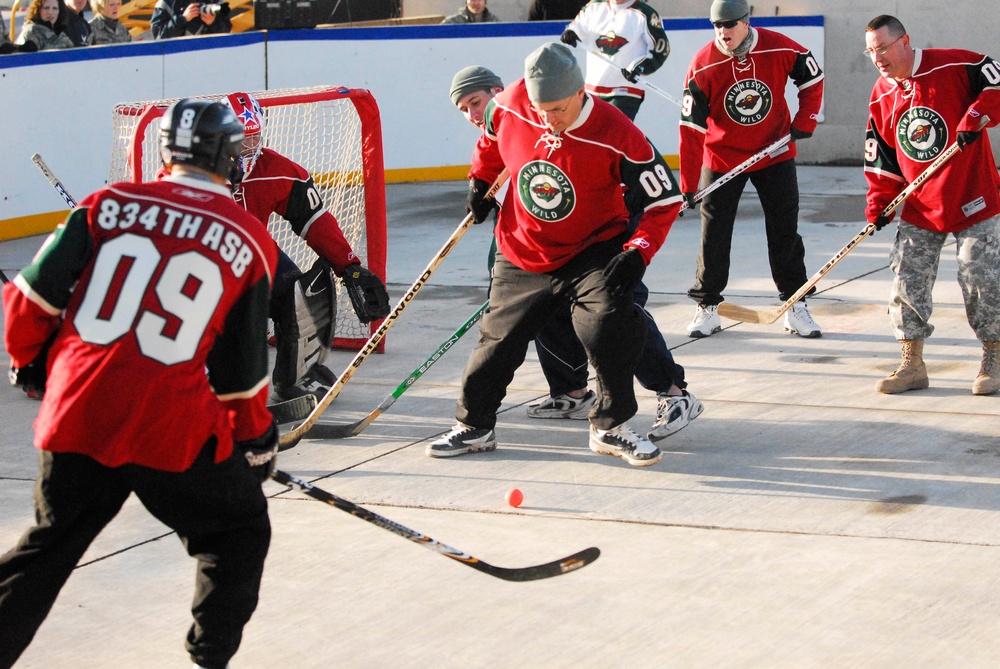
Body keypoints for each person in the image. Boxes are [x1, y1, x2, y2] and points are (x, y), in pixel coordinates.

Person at [0, 99, 278, 669]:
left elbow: (25, 303)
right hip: (166, 429)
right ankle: (209, 659)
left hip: (75, 413)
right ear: (229, 158)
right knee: (237, 531)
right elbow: (239, 380)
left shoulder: (105, 204)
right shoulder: (249, 238)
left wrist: (31, 361)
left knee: (47, 550)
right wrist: (255, 441)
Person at [428, 43, 683, 467]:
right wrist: (480, 180)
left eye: (558, 110)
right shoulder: (508, 105)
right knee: (497, 342)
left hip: (593, 248)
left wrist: (639, 250)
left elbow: (664, 200)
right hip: (523, 247)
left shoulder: (619, 134)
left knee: (608, 327)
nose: (548, 120)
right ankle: (475, 426)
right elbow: (491, 142)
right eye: (540, 108)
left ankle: (610, 427)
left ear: (581, 92)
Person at [221, 91, 390, 402]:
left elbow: (315, 220)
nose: (250, 147)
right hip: (202, 262)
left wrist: (348, 265)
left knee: (302, 297)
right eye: (241, 140)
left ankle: (295, 377)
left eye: (255, 137)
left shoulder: (277, 169)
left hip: (254, 254)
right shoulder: (188, 173)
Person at [862, 15, 1000, 395]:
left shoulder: (957, 64)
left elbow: (997, 86)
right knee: (907, 279)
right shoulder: (881, 92)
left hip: (973, 196)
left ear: (905, 42)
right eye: (871, 51)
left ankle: (995, 356)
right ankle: (912, 363)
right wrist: (880, 201)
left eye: (884, 48)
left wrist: (978, 112)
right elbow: (883, 158)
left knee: (979, 278)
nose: (878, 58)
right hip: (921, 205)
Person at [679, 0, 824, 339]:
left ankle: (795, 303)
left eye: (730, 24)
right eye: (717, 26)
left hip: (774, 151)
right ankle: (708, 306)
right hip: (723, 158)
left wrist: (806, 120)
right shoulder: (702, 65)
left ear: (746, 21)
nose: (723, 32)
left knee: (784, 228)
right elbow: (690, 130)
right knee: (714, 233)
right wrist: (687, 184)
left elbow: (812, 77)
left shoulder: (779, 45)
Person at [560, 0, 670, 122]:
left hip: (625, 92)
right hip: (592, 90)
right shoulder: (594, 6)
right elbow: (577, 26)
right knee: (589, 137)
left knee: (614, 136)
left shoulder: (645, 14)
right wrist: (571, 32)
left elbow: (661, 50)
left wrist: (638, 67)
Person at [150, 0, 231, 38]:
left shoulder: (215, 2)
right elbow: (159, 36)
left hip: (207, 59)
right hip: (175, 60)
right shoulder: (166, 3)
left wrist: (213, 23)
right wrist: (183, 18)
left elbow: (226, 32)